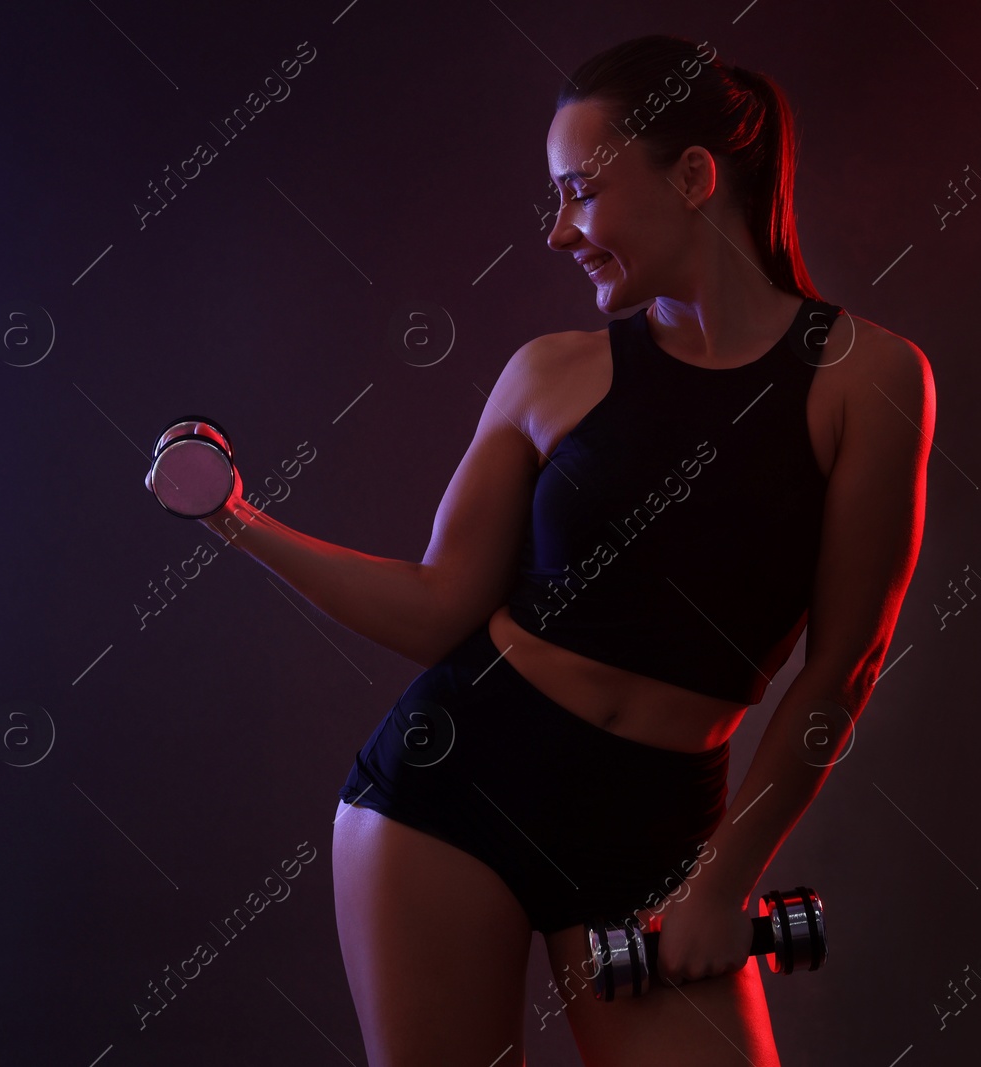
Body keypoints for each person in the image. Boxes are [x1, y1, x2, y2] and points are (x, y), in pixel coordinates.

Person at [197, 33, 933, 1067]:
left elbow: (842, 668)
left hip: (659, 831)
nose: (556, 233)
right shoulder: (549, 373)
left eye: (579, 193)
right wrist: (235, 515)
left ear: (691, 176)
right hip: (454, 787)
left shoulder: (867, 377)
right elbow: (437, 607)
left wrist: (721, 882)